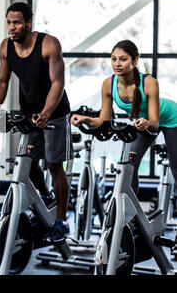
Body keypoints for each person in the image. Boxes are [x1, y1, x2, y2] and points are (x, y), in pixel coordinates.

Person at [0, 2, 73, 243]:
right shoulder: (6, 48)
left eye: (16, 22)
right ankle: (46, 196)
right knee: (27, 160)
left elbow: (58, 82)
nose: (11, 27)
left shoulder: (48, 44)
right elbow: (2, 82)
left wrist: (47, 111)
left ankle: (61, 220)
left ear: (28, 22)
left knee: (53, 164)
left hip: (55, 112)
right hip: (29, 111)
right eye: (8, 23)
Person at [71, 39, 177, 195]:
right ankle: (129, 211)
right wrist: (85, 119)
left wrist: (146, 123)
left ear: (135, 60)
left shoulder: (149, 83)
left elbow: (154, 123)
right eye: (114, 59)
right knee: (128, 164)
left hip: (171, 119)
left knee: (176, 168)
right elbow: (103, 121)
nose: (117, 64)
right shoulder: (109, 84)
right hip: (143, 122)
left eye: (123, 59)